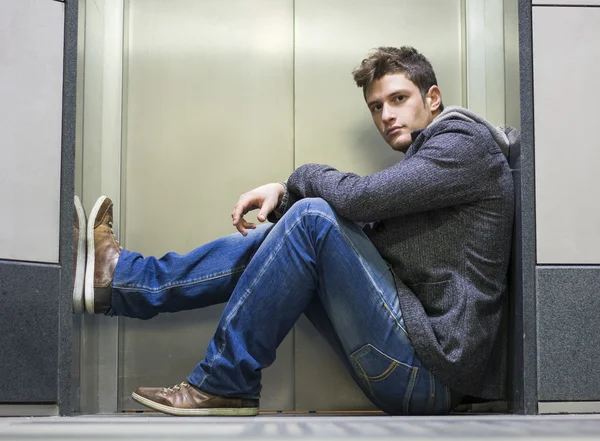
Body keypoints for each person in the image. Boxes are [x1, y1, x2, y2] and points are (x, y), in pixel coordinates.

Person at [72, 46, 515, 416]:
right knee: (299, 224)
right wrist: (285, 197)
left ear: (432, 97)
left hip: (431, 376)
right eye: (376, 107)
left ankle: (224, 379)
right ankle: (119, 280)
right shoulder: (432, 164)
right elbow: (361, 232)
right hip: (409, 364)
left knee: (311, 218)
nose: (385, 116)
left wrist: (295, 181)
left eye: (398, 99)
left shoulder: (463, 144)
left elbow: (359, 201)